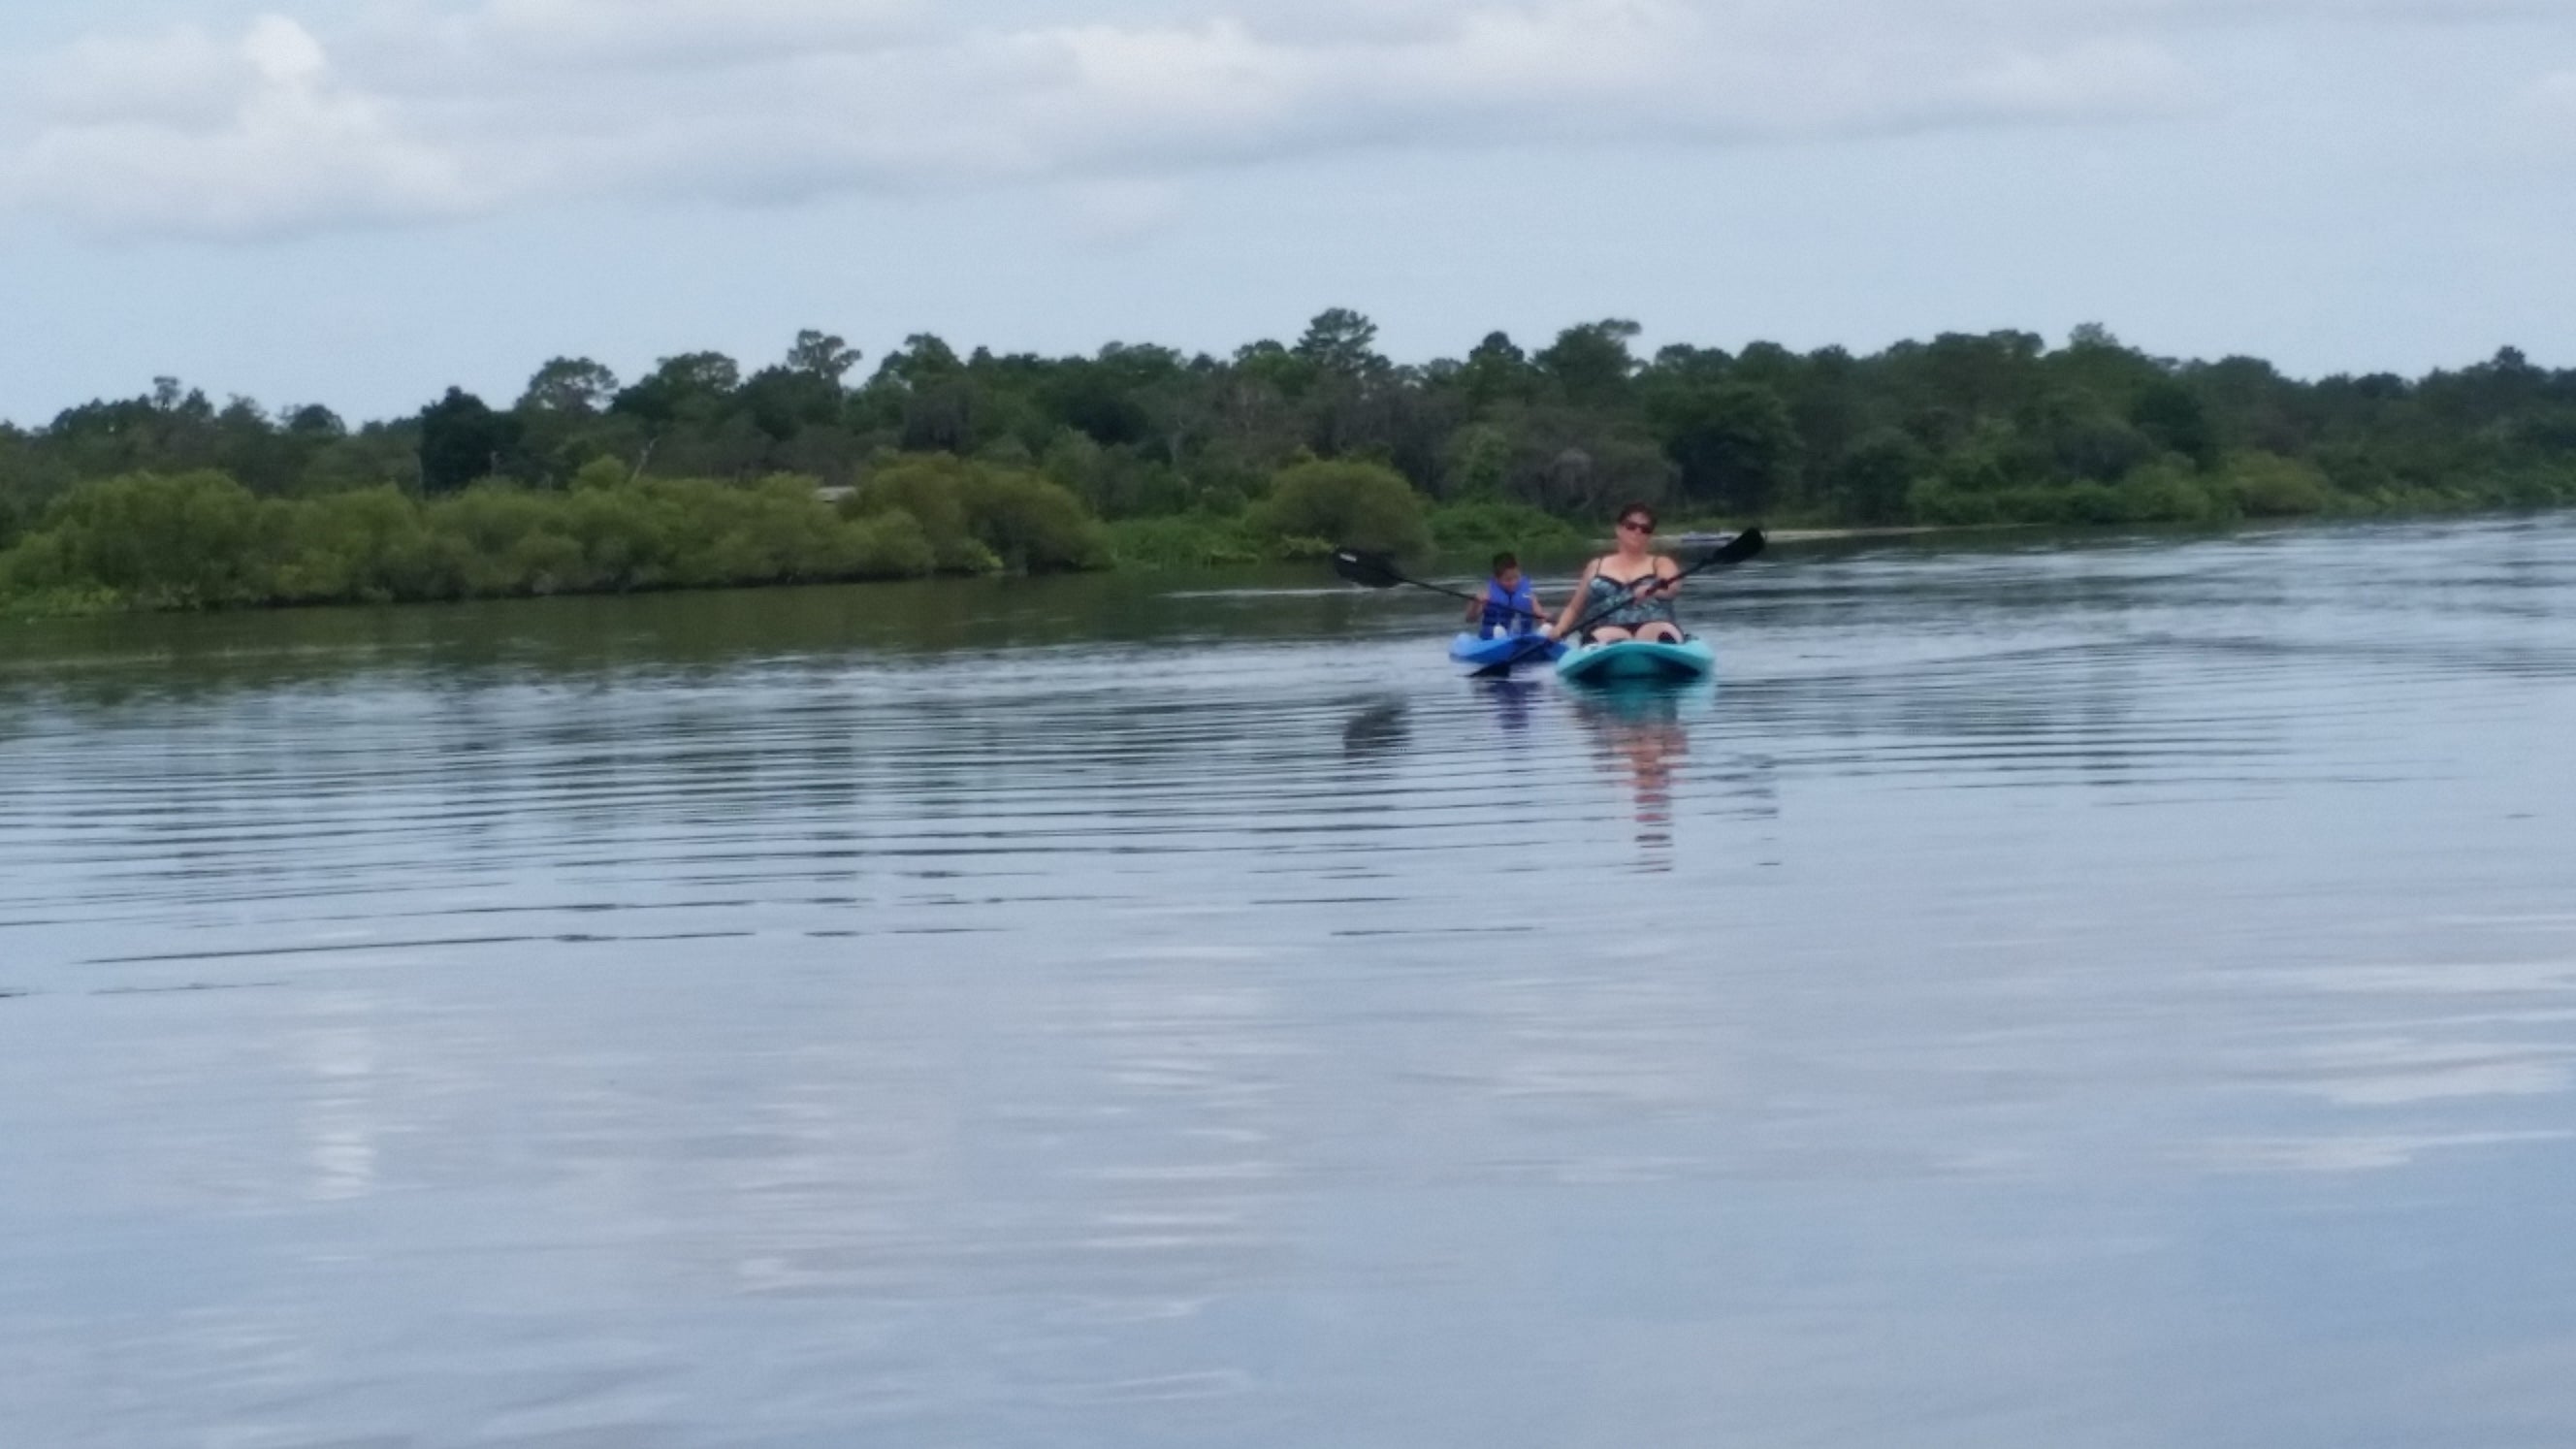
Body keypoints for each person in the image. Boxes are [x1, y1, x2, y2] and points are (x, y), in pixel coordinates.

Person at [1550, 503, 1684, 644]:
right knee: (1605, 636)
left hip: (1654, 623)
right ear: (1619, 529)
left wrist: (1652, 590)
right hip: (1606, 627)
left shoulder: (1661, 563)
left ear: (1650, 535)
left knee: (1656, 631)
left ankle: (1663, 647)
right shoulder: (1596, 566)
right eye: (1631, 526)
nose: (1637, 531)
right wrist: (1560, 628)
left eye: (1645, 529)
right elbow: (1575, 608)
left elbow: (1671, 587)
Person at [1465, 553, 1548, 638]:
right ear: (1496, 578)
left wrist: (1545, 621)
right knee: (1498, 631)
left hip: (1523, 637)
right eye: (1508, 580)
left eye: (1516, 578)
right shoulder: (1487, 593)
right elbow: (1470, 619)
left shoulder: (1528, 595)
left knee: (1546, 628)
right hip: (1493, 637)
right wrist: (1476, 603)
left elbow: (1540, 616)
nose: (1513, 583)